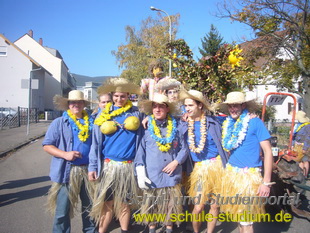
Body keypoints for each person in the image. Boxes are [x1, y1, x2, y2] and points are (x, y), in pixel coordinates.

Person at [88, 78, 143, 233]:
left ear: (128, 96)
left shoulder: (137, 114)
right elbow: (95, 145)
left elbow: (154, 116)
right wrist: (92, 166)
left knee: (125, 204)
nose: (119, 99)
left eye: (123, 96)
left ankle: (125, 230)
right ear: (112, 96)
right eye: (117, 96)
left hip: (128, 167)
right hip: (109, 167)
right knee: (107, 204)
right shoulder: (103, 115)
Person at [42, 90, 97, 233]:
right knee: (62, 211)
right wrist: (65, 154)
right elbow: (47, 145)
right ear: (68, 105)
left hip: (87, 171)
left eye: (79, 102)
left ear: (84, 104)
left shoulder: (93, 122)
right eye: (73, 102)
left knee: (89, 209)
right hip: (66, 172)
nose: (76, 105)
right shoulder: (59, 123)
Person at [219, 91, 273, 233]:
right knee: (239, 217)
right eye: (230, 106)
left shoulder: (255, 122)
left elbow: (268, 152)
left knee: (247, 220)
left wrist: (266, 182)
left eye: (235, 105)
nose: (232, 109)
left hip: (249, 178)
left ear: (243, 105)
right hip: (232, 176)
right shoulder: (229, 123)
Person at [135, 93, 189, 233]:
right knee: (151, 205)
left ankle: (169, 228)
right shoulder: (145, 128)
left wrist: (176, 162)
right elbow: (140, 151)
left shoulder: (176, 127)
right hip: (152, 175)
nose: (158, 109)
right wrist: (140, 172)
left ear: (167, 109)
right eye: (155, 106)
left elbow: (184, 148)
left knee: (171, 205)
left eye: (161, 106)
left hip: (172, 175)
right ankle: (152, 228)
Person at [179, 90, 229, 233]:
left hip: (217, 167)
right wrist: (147, 119)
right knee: (198, 206)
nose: (187, 109)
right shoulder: (183, 124)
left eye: (190, 105)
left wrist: (250, 116)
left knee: (215, 206)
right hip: (199, 170)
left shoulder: (214, 122)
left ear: (200, 105)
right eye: (185, 106)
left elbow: (233, 121)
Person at [293, 110, 310, 177]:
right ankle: (301, 174)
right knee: (299, 160)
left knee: (305, 160)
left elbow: (308, 138)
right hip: (297, 145)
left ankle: (305, 175)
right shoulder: (298, 125)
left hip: (303, 145)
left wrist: (305, 148)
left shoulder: (307, 126)